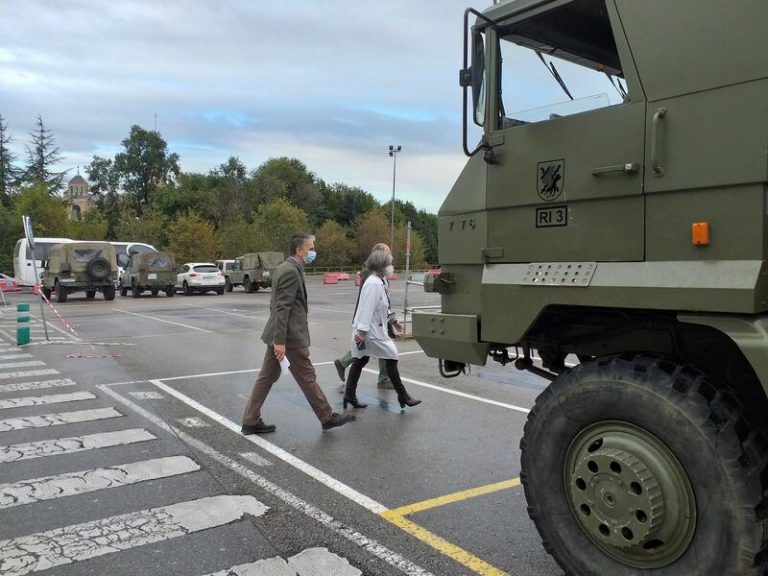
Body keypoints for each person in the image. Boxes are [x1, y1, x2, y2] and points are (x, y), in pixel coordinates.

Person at [241, 234, 354, 433]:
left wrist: (277, 338)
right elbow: (281, 308)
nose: (313, 252)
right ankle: (326, 417)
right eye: (310, 249)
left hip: (281, 335)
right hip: (289, 338)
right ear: (299, 250)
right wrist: (280, 341)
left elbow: (276, 305)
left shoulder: (287, 268)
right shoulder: (290, 272)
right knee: (307, 377)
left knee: (266, 378)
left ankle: (250, 420)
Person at [343, 249, 421, 410]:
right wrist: (362, 333)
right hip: (370, 331)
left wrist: (393, 320)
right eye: (388, 264)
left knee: (361, 359)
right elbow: (367, 309)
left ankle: (349, 395)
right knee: (391, 356)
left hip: (373, 330)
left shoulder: (381, 281)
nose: (391, 267)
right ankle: (403, 395)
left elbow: (383, 306)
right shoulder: (373, 283)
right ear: (380, 266)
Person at [333, 243, 393, 389]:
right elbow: (369, 301)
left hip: (377, 319)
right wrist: (363, 328)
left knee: (367, 350)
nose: (390, 259)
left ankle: (344, 365)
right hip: (370, 320)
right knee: (375, 348)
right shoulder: (371, 274)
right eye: (387, 255)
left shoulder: (377, 273)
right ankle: (382, 380)